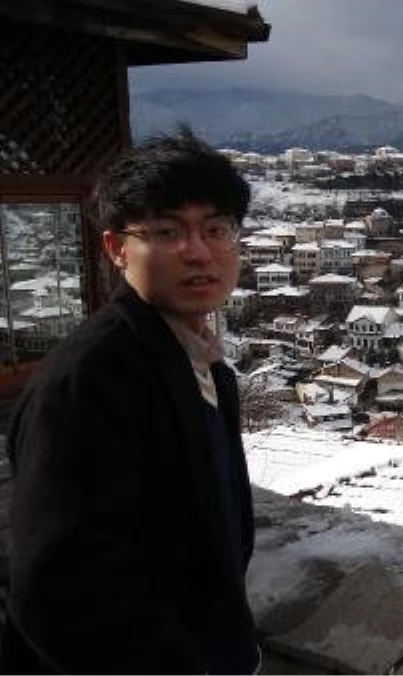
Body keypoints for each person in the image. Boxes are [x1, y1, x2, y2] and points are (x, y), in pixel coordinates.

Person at [1, 129, 259, 675]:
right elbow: (59, 589)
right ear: (118, 249)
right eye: (167, 231)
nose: (198, 251)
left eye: (217, 229)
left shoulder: (202, 362)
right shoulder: (89, 382)